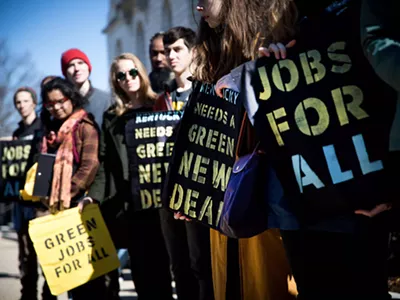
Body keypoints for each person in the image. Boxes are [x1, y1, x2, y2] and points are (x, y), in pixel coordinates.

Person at [230, 0, 397, 299]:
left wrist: (391, 189)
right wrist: (268, 59)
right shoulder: (276, 16)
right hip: (306, 200)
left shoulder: (363, 10)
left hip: (365, 194)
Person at [167, 1, 296, 300]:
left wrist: (272, 63)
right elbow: (201, 129)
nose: (197, 6)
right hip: (225, 195)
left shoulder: (273, 39)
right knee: (230, 284)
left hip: (267, 190)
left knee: (268, 282)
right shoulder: (209, 52)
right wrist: (192, 190)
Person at [86, 53, 174, 300]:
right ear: (116, 81)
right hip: (129, 204)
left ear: (141, 73)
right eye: (121, 75)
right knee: (140, 271)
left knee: (165, 270)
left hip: (161, 202)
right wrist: (93, 197)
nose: (128, 78)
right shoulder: (112, 117)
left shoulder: (161, 104)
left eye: (132, 72)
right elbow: (103, 162)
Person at [154, 26, 214, 300]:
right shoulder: (161, 100)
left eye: (177, 49)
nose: (170, 55)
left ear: (193, 52)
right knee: (177, 264)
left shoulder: (208, 89)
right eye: (167, 51)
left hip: (198, 187)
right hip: (167, 189)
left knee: (201, 261)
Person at [40, 77, 106, 299]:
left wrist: (66, 194)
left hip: (80, 209)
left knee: (91, 279)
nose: (56, 107)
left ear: (71, 98)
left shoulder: (85, 126)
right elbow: (43, 166)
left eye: (61, 100)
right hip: (55, 212)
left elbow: (90, 165)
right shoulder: (50, 132)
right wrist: (43, 196)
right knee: (67, 280)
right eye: (50, 104)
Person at [12, 87, 55, 300]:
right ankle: (27, 295)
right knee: (26, 257)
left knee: (47, 255)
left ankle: (49, 296)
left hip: (41, 201)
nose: (21, 106)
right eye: (18, 102)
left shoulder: (44, 127)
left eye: (25, 101)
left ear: (34, 102)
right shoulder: (17, 132)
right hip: (21, 202)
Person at [61, 48, 112, 126]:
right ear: (65, 73)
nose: (77, 68)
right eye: (71, 65)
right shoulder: (63, 106)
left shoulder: (107, 100)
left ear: (88, 67)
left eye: (80, 63)